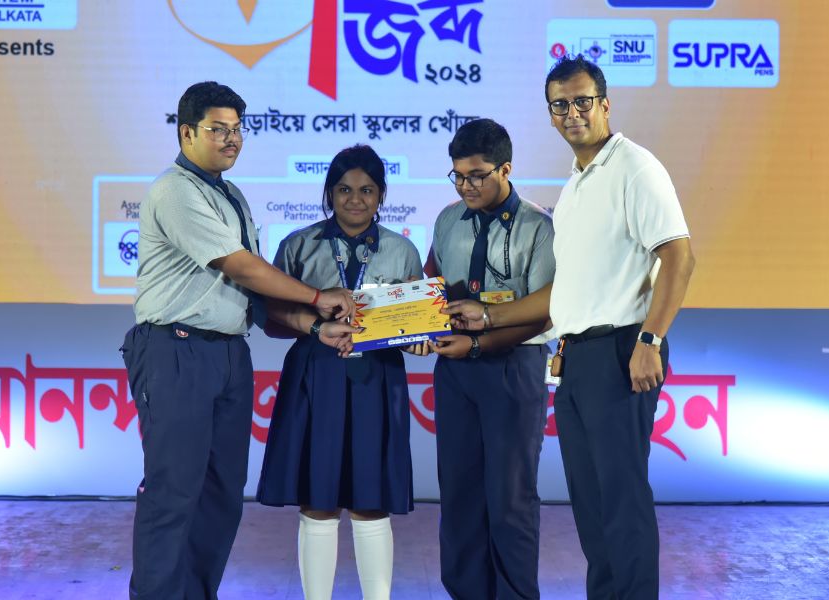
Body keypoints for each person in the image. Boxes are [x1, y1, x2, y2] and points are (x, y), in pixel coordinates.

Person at [444, 55, 696, 600]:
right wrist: (487, 316)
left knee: (621, 499)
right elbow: (564, 293)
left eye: (583, 101)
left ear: (605, 104)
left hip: (623, 348)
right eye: (560, 105)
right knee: (591, 503)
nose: (572, 113)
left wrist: (650, 340)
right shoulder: (579, 182)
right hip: (577, 357)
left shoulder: (635, 167)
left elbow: (679, 257)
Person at [121, 81, 357, 600]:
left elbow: (250, 289)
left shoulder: (231, 195)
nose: (232, 139)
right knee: (173, 491)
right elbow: (241, 267)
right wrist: (317, 297)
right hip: (176, 349)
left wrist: (315, 326)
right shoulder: (175, 191)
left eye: (237, 129)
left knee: (222, 495)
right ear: (187, 132)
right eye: (218, 129)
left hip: (228, 352)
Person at [256, 144, 422, 600]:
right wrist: (315, 323)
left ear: (381, 195)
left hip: (378, 378)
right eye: (345, 189)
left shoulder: (402, 250)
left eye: (367, 190)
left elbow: (415, 322)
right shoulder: (299, 245)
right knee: (318, 500)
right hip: (315, 377)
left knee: (372, 500)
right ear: (329, 193)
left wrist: (418, 336)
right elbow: (270, 317)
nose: (355, 199)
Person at [408, 118, 555, 599]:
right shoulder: (448, 220)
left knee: (510, 497)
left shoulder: (538, 226)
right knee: (460, 492)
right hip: (455, 370)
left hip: (514, 368)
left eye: (476, 176)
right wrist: (416, 329)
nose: (465, 186)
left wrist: (479, 341)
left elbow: (544, 313)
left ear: (505, 169)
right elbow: (432, 288)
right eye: (457, 175)